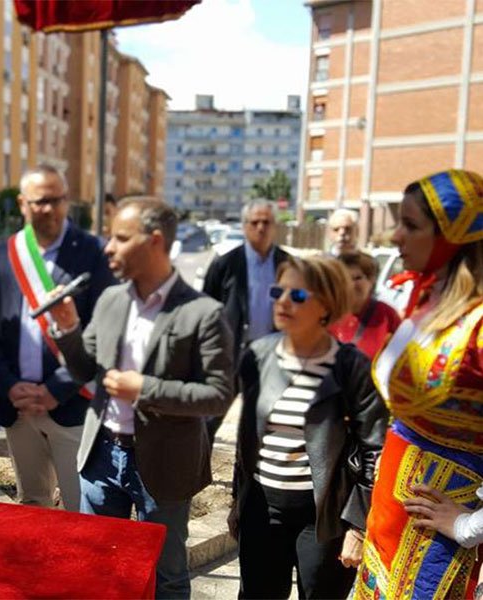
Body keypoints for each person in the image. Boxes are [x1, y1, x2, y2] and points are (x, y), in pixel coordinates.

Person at [48, 197, 234, 598]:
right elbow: (85, 371)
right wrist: (68, 330)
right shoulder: (112, 300)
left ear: (153, 241)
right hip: (101, 458)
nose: (108, 248)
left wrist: (144, 390)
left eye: (119, 237)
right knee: (100, 568)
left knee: (166, 575)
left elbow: (218, 395)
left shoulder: (203, 312)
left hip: (164, 466)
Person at [355, 169, 483, 599]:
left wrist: (468, 526)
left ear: (452, 235)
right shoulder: (423, 295)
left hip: (433, 540)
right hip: (387, 517)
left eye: (411, 226)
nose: (395, 237)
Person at [230, 255, 388, 599]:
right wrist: (236, 504)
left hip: (321, 517)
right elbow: (246, 440)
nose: (283, 302)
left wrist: (358, 527)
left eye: (298, 295)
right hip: (261, 508)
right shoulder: (256, 356)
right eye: (278, 291)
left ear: (327, 304)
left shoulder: (351, 367)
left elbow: (375, 449)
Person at [0, 164, 114, 513]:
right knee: (32, 506)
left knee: (80, 510)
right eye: (40, 201)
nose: (49, 209)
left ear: (67, 202)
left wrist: (56, 389)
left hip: (72, 404)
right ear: (23, 203)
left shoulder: (93, 253)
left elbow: (107, 332)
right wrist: (9, 385)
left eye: (58, 200)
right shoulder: (0, 256)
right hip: (18, 406)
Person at [202, 200, 290, 442]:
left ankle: (250, 477)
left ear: (275, 226)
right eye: (255, 222)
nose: (261, 227)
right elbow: (206, 307)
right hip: (229, 356)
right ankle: (195, 475)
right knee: (210, 420)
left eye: (267, 222)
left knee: (261, 424)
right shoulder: (226, 264)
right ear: (244, 226)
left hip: (272, 358)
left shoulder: (288, 264)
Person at [329, 251, 401, 360]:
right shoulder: (328, 313)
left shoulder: (387, 316)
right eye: (344, 279)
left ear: (371, 280)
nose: (351, 285)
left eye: (357, 278)